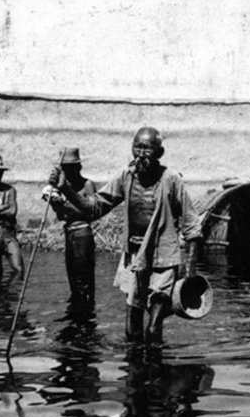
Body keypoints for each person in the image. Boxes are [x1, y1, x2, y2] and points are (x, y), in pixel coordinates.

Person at [51, 126, 202, 344]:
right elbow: (94, 208)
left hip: (164, 258)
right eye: (137, 147)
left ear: (159, 152)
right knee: (132, 331)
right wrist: (66, 189)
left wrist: (190, 271)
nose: (141, 154)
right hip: (134, 257)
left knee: (153, 328)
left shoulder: (171, 179)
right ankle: (136, 374)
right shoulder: (125, 177)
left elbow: (191, 226)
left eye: (147, 148)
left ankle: (156, 372)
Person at [44, 147, 97, 306]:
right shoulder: (62, 187)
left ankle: (87, 315)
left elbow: (91, 212)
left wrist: (65, 204)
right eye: (64, 168)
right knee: (73, 281)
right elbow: (61, 215)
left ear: (78, 167)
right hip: (69, 234)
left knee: (84, 279)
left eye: (69, 168)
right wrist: (55, 203)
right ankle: (76, 314)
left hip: (82, 234)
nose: (66, 171)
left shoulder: (87, 185)